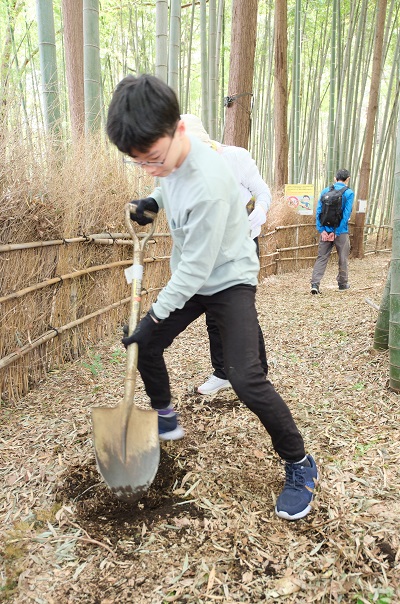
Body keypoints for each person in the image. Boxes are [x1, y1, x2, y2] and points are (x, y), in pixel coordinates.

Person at [106, 73, 318, 521]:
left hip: (228, 278)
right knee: (143, 344)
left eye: (154, 159)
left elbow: (196, 269)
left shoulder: (211, 184)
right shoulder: (170, 160)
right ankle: (165, 415)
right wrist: (153, 197)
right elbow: (168, 183)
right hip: (194, 276)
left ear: (178, 130)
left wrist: (156, 313)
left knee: (245, 378)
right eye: (139, 162)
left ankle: (300, 464)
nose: (150, 168)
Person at [181, 114, 270, 395]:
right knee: (212, 310)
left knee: (241, 310)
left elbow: (261, 191)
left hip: (242, 244)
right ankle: (222, 372)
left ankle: (257, 371)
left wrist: (259, 213)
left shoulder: (235, 157)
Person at [310, 169, 354, 294]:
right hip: (341, 232)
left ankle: (315, 284)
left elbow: (319, 212)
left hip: (325, 231)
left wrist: (322, 230)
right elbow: (346, 215)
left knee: (322, 257)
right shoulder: (349, 193)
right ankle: (342, 284)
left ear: (335, 178)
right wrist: (337, 232)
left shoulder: (325, 191)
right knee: (343, 258)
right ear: (348, 179)